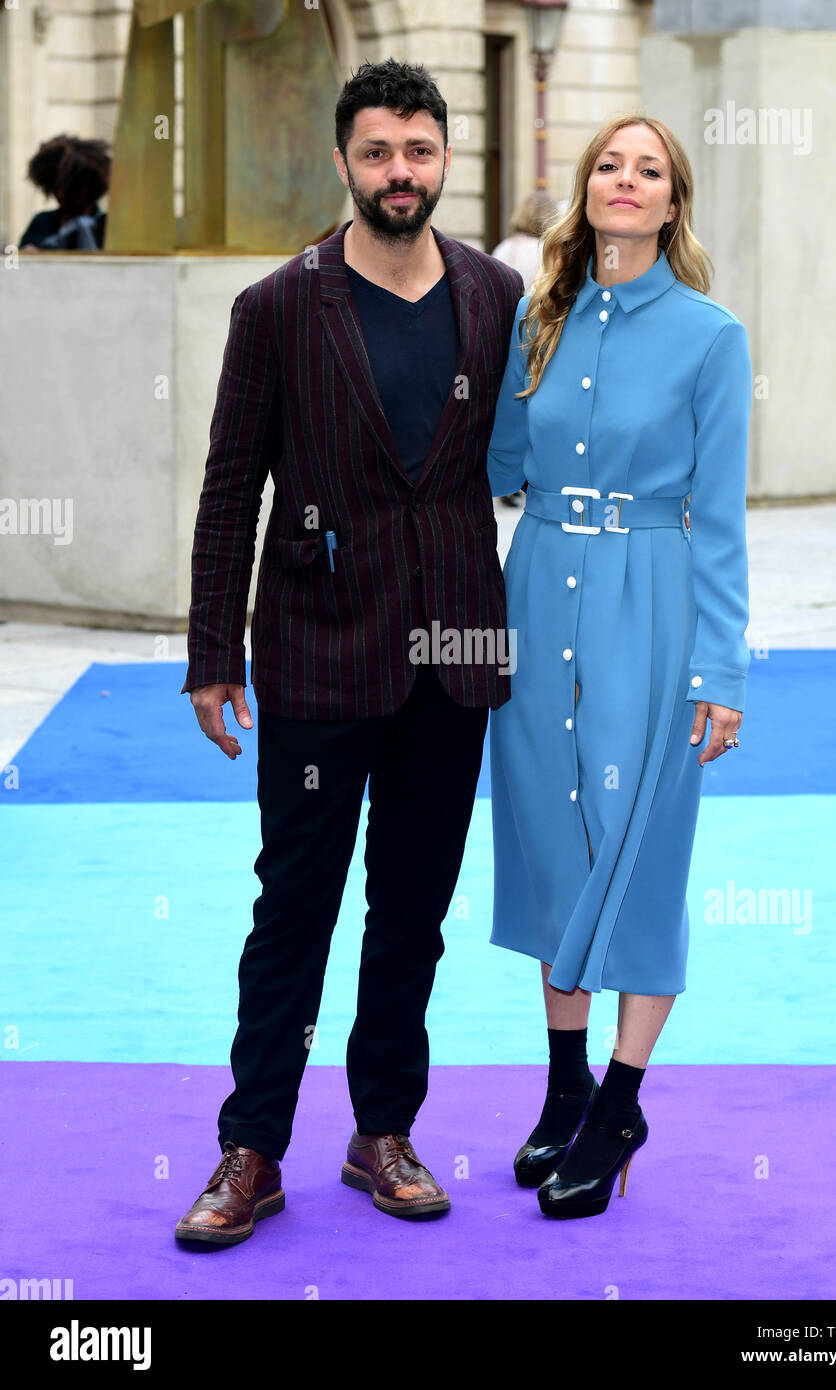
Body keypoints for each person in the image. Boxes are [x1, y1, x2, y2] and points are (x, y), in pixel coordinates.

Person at [174, 58, 523, 1245]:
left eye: (418, 152)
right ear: (343, 162)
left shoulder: (494, 294)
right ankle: (251, 1147)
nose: (399, 173)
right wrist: (212, 648)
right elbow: (231, 488)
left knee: (411, 911)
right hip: (321, 651)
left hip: (456, 650)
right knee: (295, 909)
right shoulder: (278, 305)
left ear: (442, 160)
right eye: (377, 153)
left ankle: (383, 1132)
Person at [486, 114, 751, 1219]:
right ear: (584, 190)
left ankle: (619, 1103)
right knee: (551, 837)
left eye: (647, 169)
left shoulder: (710, 335)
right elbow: (498, 460)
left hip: (652, 598)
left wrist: (719, 670)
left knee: (637, 844)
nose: (624, 180)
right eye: (607, 164)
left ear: (672, 199)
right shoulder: (534, 319)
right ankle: (562, 1085)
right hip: (537, 580)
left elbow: (722, 515)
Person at [490, 192, 558, 509]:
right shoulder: (543, 250)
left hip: (498, 336)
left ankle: (505, 480)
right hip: (532, 334)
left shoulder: (503, 248)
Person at [18, 134, 110, 251]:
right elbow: (18, 261)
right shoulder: (42, 222)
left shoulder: (105, 225)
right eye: (56, 187)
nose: (61, 194)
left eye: (71, 188)